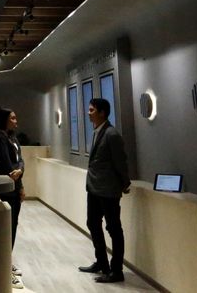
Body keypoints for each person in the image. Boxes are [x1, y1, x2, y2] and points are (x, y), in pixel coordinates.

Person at [78, 98, 131, 283]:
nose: (88, 112)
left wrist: (125, 183)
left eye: (91, 110)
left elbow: (120, 162)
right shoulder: (98, 132)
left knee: (114, 229)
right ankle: (102, 263)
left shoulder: (112, 134)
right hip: (94, 189)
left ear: (102, 112)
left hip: (108, 191)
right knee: (92, 223)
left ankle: (117, 270)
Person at [0, 107, 26, 289]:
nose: (16, 120)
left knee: (13, 226)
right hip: (7, 190)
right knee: (8, 228)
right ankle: (4, 268)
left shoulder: (12, 137)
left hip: (15, 188)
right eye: (12, 118)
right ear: (4, 119)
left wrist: (20, 176)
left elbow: (21, 162)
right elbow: (7, 166)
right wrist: (18, 171)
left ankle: (7, 263)